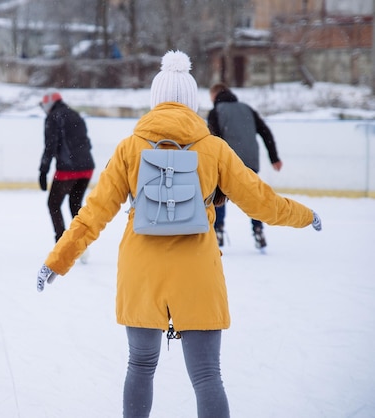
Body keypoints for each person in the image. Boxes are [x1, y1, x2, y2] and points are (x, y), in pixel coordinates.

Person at [36, 51, 322, 418]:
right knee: (207, 376)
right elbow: (263, 203)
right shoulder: (214, 149)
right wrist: (305, 215)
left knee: (139, 366)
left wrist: (56, 261)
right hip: (197, 272)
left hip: (142, 272)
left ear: (156, 100)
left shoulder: (129, 148)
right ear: (191, 101)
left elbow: (91, 215)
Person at [207, 82, 283, 249]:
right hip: (250, 160)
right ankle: (258, 230)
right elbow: (265, 131)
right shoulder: (247, 109)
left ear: (214, 96)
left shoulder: (216, 111)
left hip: (229, 161)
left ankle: (218, 230)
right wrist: (274, 157)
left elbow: (213, 138)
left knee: (219, 194)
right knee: (252, 196)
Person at [38, 90, 95, 243]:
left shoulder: (52, 117)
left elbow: (50, 146)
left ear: (48, 104)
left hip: (68, 170)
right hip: (87, 168)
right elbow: (86, 142)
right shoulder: (75, 115)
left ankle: (62, 242)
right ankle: (82, 241)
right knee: (75, 204)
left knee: (53, 204)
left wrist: (43, 171)